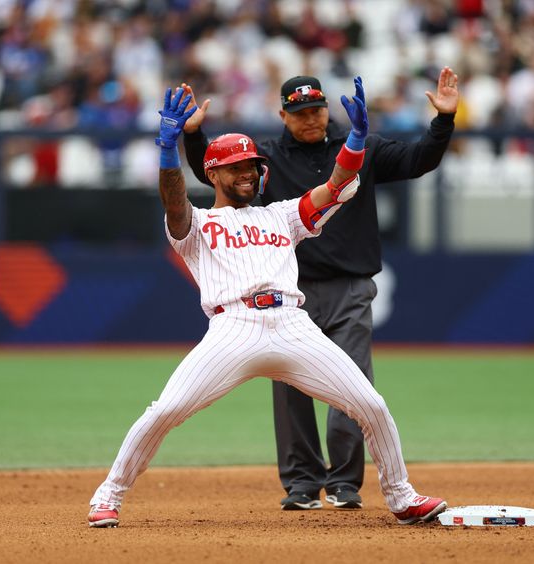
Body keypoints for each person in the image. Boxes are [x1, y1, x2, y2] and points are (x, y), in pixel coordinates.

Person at [87, 81, 448, 528]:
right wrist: (167, 150)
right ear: (213, 174)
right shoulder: (197, 223)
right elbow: (174, 203)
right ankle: (109, 494)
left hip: (292, 324)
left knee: (370, 405)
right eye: (235, 166)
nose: (246, 173)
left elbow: (335, 187)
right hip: (232, 328)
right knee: (165, 411)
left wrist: (354, 142)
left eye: (252, 166)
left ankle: (401, 496)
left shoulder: (281, 214)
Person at [181, 68, 458, 510]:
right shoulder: (267, 158)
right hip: (289, 293)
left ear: (327, 109)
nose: (310, 118)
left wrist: (443, 119)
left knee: (352, 384)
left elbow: (419, 160)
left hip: (350, 286)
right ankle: (302, 484)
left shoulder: (360, 147)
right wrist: (194, 137)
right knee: (289, 390)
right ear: (283, 115)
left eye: (316, 109)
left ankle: (346, 484)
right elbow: (218, 174)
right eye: (299, 112)